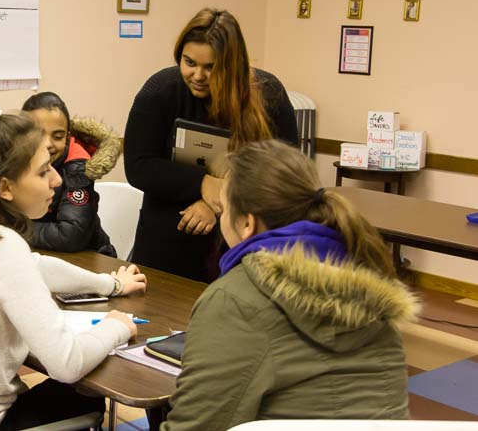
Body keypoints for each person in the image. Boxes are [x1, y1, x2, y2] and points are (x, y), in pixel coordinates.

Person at [0, 104, 147, 430]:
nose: (56, 179)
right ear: (5, 187)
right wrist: (117, 326)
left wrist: (110, 284)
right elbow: (67, 363)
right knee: (83, 393)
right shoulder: (3, 247)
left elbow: (38, 267)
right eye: (42, 171)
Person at [163, 140, 417, 430]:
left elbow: (196, 425)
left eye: (224, 205)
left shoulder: (236, 299)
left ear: (247, 223)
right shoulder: (372, 283)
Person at [124, 8, 298, 282]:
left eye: (211, 67)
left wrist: (217, 202)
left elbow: (285, 173)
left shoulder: (268, 94)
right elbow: (138, 166)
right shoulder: (160, 90)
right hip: (167, 241)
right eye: (189, 62)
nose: (198, 75)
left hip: (241, 243)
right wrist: (203, 185)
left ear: (233, 64)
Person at [21, 92, 119, 257]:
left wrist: (12, 227)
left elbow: (70, 235)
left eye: (58, 136)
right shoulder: (15, 161)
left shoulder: (78, 168)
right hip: (40, 254)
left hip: (91, 259)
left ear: (67, 137)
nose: (47, 144)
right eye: (38, 134)